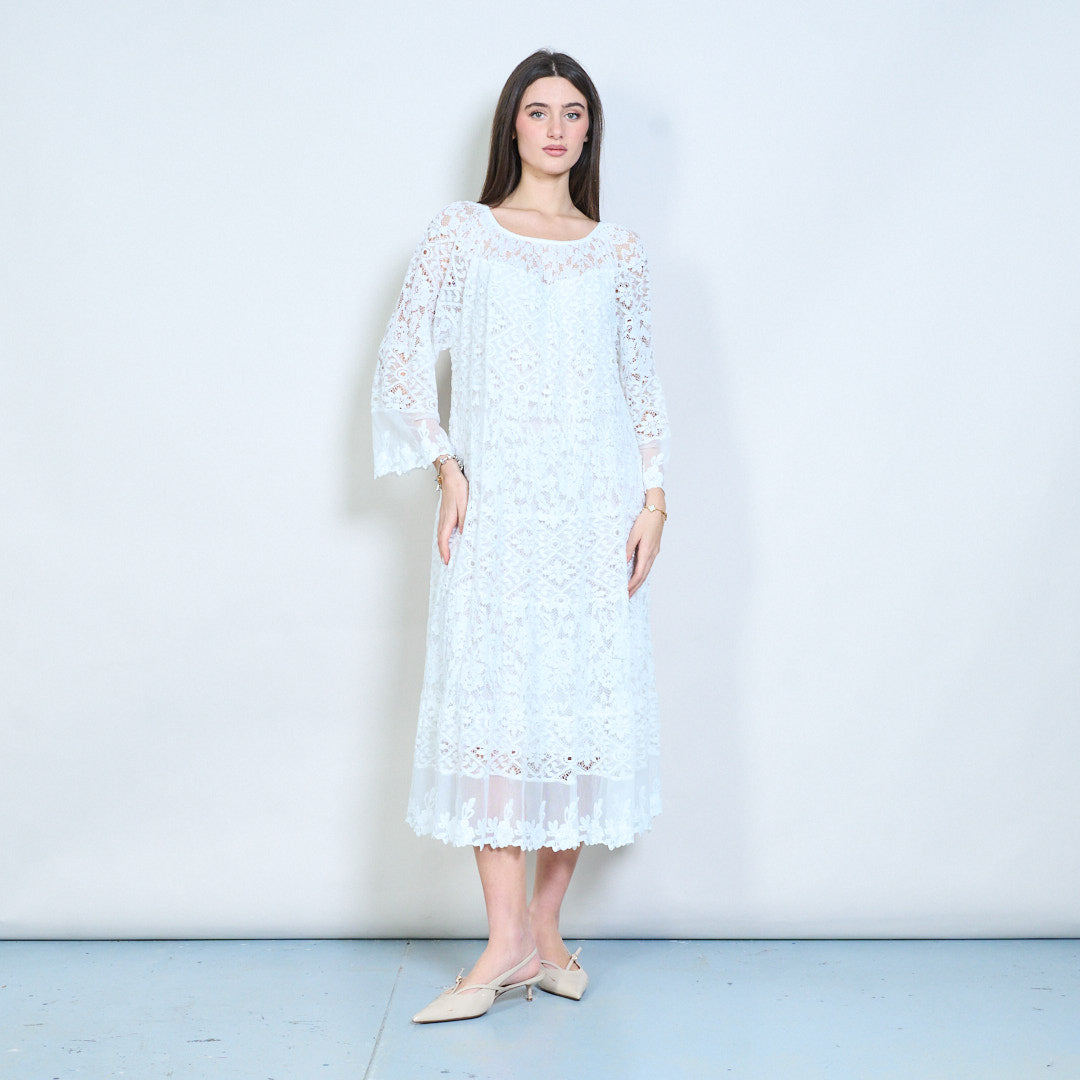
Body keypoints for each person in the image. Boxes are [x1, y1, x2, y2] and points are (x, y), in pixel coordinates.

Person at [371, 48, 670, 1024]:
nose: (555, 128)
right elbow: (405, 356)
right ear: (512, 124)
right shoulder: (463, 234)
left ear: (589, 131)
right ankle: (502, 941)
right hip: (499, 511)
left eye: (573, 112)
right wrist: (447, 466)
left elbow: (641, 382)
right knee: (498, 713)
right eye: (538, 110)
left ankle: (544, 932)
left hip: (593, 512)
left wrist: (654, 498)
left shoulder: (617, 251)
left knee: (576, 712)